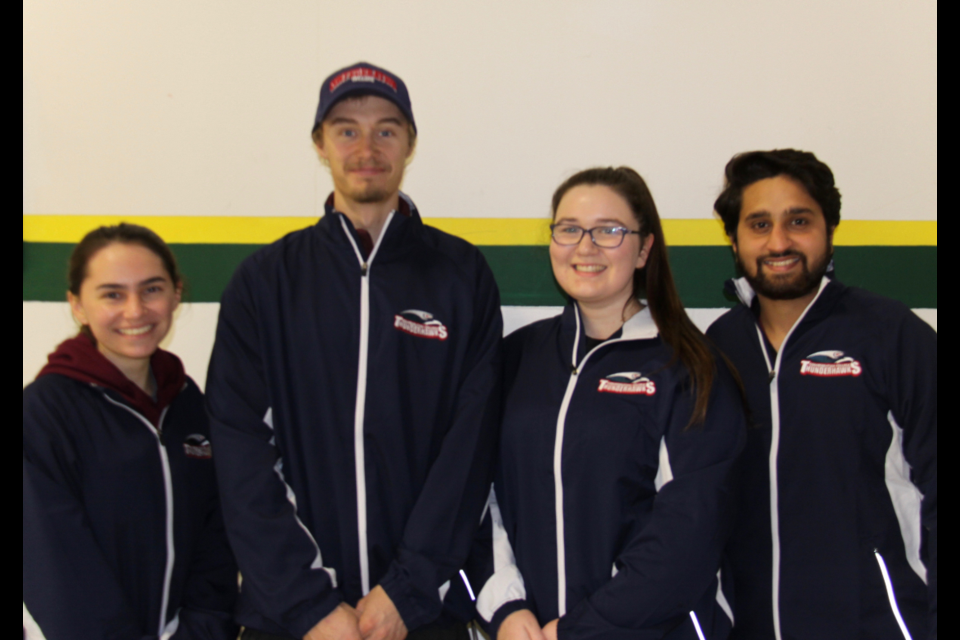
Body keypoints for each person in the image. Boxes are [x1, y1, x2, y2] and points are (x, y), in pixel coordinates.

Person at [205, 62, 502, 640]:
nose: (367, 147)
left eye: (387, 129)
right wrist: (308, 604)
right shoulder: (265, 281)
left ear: (410, 143)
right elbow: (240, 452)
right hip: (292, 619)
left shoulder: (461, 275)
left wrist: (406, 590)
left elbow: (471, 449)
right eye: (346, 129)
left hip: (424, 612)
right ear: (320, 143)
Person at [474, 167, 746, 640]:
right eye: (569, 229)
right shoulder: (515, 358)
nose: (585, 246)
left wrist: (580, 629)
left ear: (644, 249)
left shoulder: (690, 367)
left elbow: (688, 535)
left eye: (609, 230)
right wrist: (507, 608)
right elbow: (479, 498)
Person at [706, 149, 937, 639]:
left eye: (799, 221)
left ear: (830, 230)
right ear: (734, 239)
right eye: (759, 224)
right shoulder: (717, 349)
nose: (780, 241)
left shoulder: (890, 334)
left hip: (880, 625)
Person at [22, 223, 239, 640]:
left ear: (176, 293)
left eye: (152, 289)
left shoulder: (191, 406)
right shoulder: (45, 413)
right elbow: (53, 561)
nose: (135, 310)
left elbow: (218, 537)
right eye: (112, 294)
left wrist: (202, 629)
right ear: (77, 305)